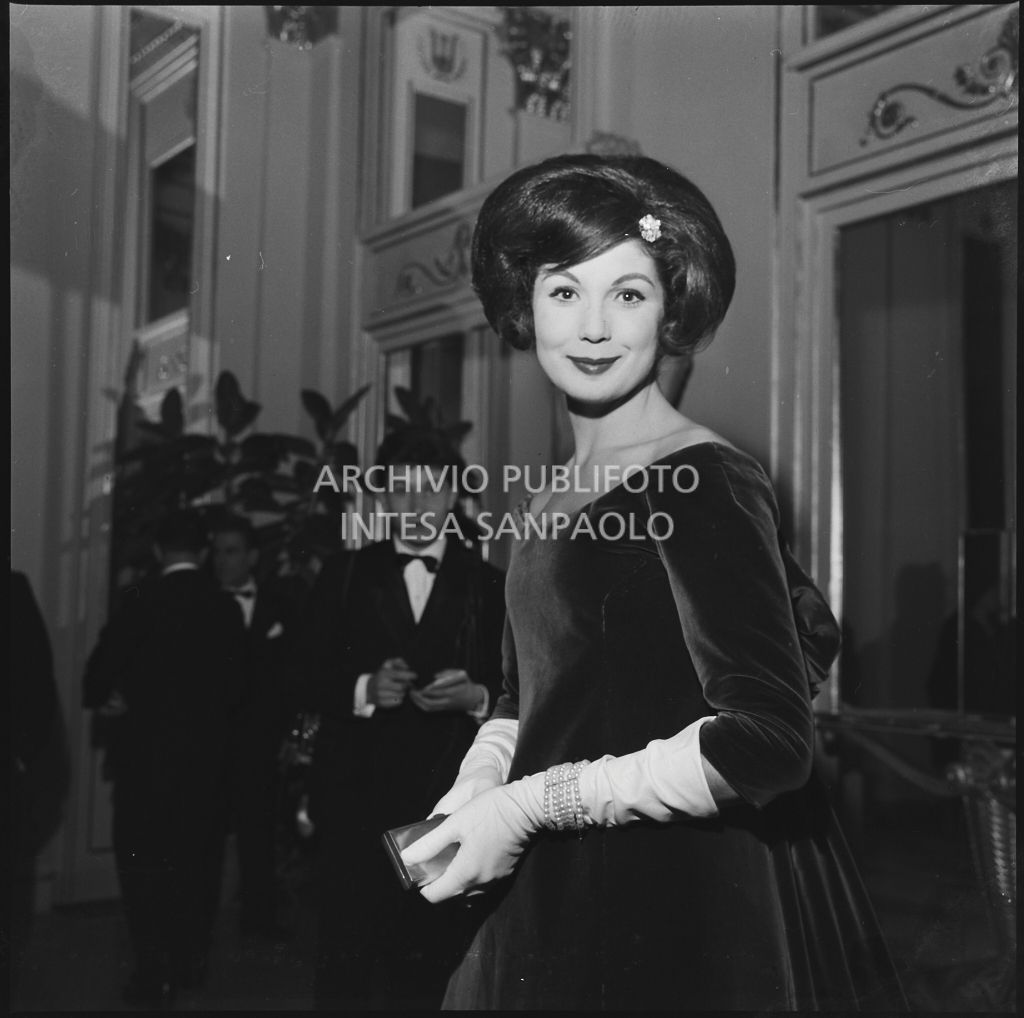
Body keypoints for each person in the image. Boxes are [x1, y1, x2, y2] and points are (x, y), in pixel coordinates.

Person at [399, 153, 909, 1011]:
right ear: (523, 306)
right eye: (565, 291)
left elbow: (768, 744)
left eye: (628, 294)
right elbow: (526, 696)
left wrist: (527, 808)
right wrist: (478, 786)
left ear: (671, 310)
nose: (594, 327)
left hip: (668, 901)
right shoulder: (544, 492)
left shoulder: (704, 476)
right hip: (550, 896)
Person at [300, 426, 507, 1010]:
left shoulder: (490, 584)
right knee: (345, 963)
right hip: (354, 805)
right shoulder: (342, 576)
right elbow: (296, 675)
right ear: (383, 499)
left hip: (446, 805)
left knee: (434, 963)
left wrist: (475, 696)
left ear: (451, 497)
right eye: (401, 490)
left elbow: (522, 690)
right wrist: (364, 686)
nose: (416, 504)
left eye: (430, 489)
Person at [82, 509, 246, 1006]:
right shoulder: (225, 608)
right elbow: (242, 692)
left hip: (143, 767)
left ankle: (152, 971)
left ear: (158, 551)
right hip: (206, 768)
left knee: (143, 870)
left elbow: (96, 680)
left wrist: (115, 697)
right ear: (203, 551)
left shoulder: (137, 598)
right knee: (199, 867)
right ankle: (191, 962)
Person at [210, 514, 297, 940]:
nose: (221, 561)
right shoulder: (200, 605)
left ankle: (258, 923)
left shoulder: (278, 605)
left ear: (252, 556)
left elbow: (290, 678)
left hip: (261, 744)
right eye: (216, 552)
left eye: (231, 551)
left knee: (258, 834)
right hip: (208, 746)